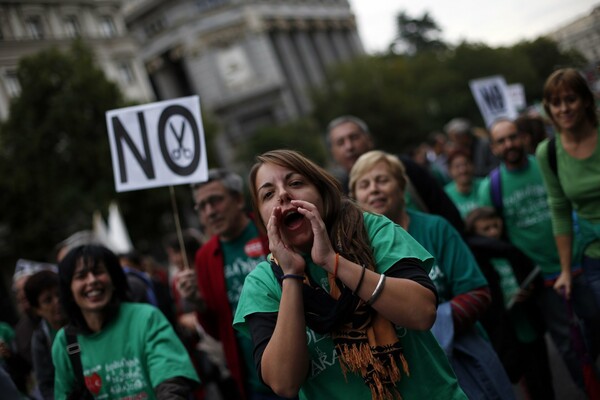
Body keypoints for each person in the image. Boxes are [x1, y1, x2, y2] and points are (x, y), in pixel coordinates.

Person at [233, 149, 466, 399]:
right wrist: (290, 276)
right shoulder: (262, 283)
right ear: (261, 217)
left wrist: (333, 262)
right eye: (268, 194)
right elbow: (283, 383)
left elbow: (422, 313)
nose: (283, 194)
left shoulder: (372, 230)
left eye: (296, 183)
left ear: (322, 192)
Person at [349, 150, 514, 400]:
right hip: (405, 376)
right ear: (354, 197)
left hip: (463, 358)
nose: (374, 189)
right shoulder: (352, 253)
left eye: (382, 180)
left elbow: (478, 293)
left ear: (402, 186)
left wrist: (425, 321)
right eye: (364, 184)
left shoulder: (436, 228)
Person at [479, 118, 600, 393]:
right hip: (542, 279)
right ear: (493, 147)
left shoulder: (548, 165)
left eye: (512, 137)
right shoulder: (492, 188)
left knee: (594, 321)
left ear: (522, 138)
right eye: (501, 140)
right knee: (569, 344)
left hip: (581, 262)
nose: (509, 144)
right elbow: (493, 242)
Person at [176, 168, 283, 400]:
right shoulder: (204, 257)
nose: (209, 212)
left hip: (308, 367)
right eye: (201, 206)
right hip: (256, 384)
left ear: (237, 199)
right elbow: (217, 330)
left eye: (215, 201)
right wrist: (197, 303)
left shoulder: (271, 229)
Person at [52, 244, 199, 399]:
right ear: (69, 290)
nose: (92, 280)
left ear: (114, 279)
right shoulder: (65, 342)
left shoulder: (145, 318)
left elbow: (169, 374)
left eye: (98, 272)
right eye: (81, 276)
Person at [465, 207, 555, 399]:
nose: (493, 232)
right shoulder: (477, 261)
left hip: (528, 323)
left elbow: (533, 276)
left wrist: (530, 289)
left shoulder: (511, 251)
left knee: (543, 376)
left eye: (495, 226)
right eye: (485, 229)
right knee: (524, 380)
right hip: (507, 331)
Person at [326, 115, 464, 233]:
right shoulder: (339, 195)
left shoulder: (404, 167)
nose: (349, 146)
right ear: (333, 152)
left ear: (369, 140)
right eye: (340, 142)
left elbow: (445, 209)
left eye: (354, 137)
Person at [537, 67, 600, 307]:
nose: (564, 109)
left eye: (570, 99)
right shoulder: (548, 152)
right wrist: (565, 271)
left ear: (585, 100)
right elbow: (560, 211)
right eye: (556, 103)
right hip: (593, 257)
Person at [24, 270, 67, 400]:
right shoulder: (40, 339)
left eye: (59, 295)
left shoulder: (84, 322)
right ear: (37, 310)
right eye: (48, 300)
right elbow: (46, 384)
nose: (57, 302)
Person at [444, 149, 485, 220]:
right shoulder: (445, 195)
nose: (463, 170)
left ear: (473, 165)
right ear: (449, 171)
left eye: (466, 164)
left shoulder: (485, 186)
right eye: (457, 166)